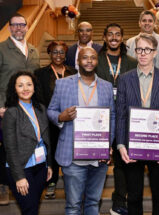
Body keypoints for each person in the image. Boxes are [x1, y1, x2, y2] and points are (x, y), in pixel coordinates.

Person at [47, 47, 115, 215]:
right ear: (78, 61)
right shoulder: (62, 83)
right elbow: (51, 110)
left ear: (97, 61)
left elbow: (112, 116)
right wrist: (61, 117)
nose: (89, 61)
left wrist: (108, 144)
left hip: (98, 157)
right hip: (72, 156)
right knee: (73, 205)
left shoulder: (107, 86)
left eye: (93, 58)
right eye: (85, 58)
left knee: (93, 202)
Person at [116, 34, 159, 215]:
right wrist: (120, 145)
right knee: (134, 195)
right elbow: (120, 114)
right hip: (132, 146)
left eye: (147, 50)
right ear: (135, 52)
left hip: (158, 146)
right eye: (139, 49)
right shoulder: (125, 79)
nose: (143, 53)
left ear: (155, 52)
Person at [97, 23, 137, 215]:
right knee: (99, 159)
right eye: (110, 34)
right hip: (100, 117)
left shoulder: (131, 62)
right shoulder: (95, 60)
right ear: (104, 37)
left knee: (122, 161)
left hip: (124, 117)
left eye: (118, 34)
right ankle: (92, 201)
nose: (114, 37)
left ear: (122, 38)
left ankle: (119, 202)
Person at [0, 13, 39, 205]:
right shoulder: (1, 49)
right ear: (9, 27)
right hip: (6, 109)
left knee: (25, 143)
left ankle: (29, 176)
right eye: (14, 25)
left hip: (27, 109)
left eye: (22, 25)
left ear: (26, 26)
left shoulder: (33, 50)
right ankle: (3, 185)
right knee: (6, 147)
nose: (18, 28)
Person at [2, 71, 52, 215]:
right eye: (20, 85)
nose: (25, 89)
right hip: (21, 168)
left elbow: (46, 139)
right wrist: (19, 177)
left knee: (33, 208)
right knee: (29, 209)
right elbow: (9, 148)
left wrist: (48, 164)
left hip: (40, 167)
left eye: (29, 84)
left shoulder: (41, 108)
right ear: (14, 89)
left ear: (34, 87)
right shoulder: (11, 112)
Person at [34, 41, 77, 199]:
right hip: (49, 119)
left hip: (70, 118)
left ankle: (70, 182)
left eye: (61, 52)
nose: (58, 55)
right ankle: (51, 182)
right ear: (49, 54)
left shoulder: (73, 72)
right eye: (54, 52)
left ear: (66, 55)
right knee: (50, 150)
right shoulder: (40, 73)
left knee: (70, 151)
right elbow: (37, 97)